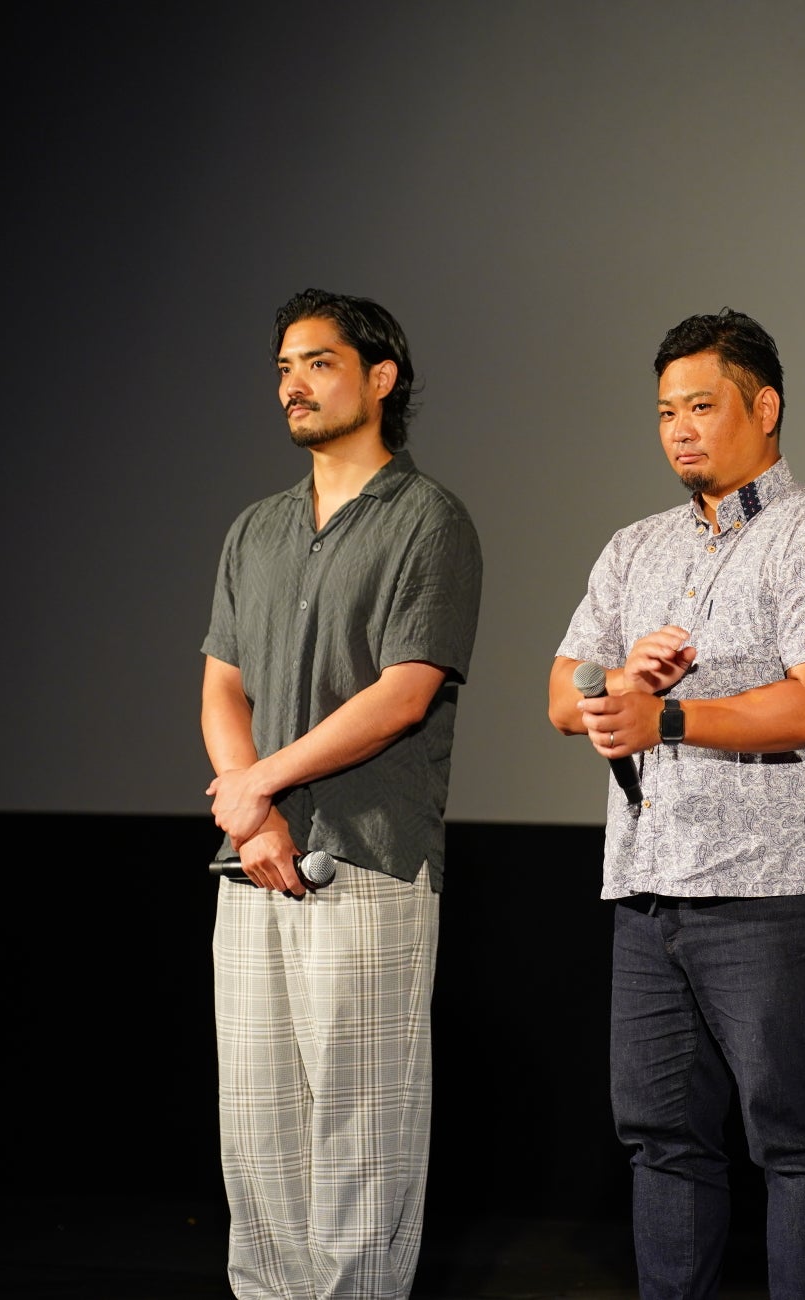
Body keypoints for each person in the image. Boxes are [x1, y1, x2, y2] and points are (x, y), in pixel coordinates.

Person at [549, 309, 805, 1299]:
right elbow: (564, 695)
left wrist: (665, 716)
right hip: (650, 885)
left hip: (770, 889)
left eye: (701, 406)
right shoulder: (635, 548)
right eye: (666, 412)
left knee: (793, 1139)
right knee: (660, 1138)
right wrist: (621, 677)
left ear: (765, 406)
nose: (680, 429)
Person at [200, 288, 482, 1300]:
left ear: (380, 377)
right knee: (258, 1135)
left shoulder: (429, 521)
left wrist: (257, 786)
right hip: (254, 864)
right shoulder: (256, 530)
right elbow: (222, 684)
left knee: (361, 1140)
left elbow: (403, 695)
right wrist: (252, 815)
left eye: (318, 363)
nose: (293, 384)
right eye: (284, 367)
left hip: (368, 857)